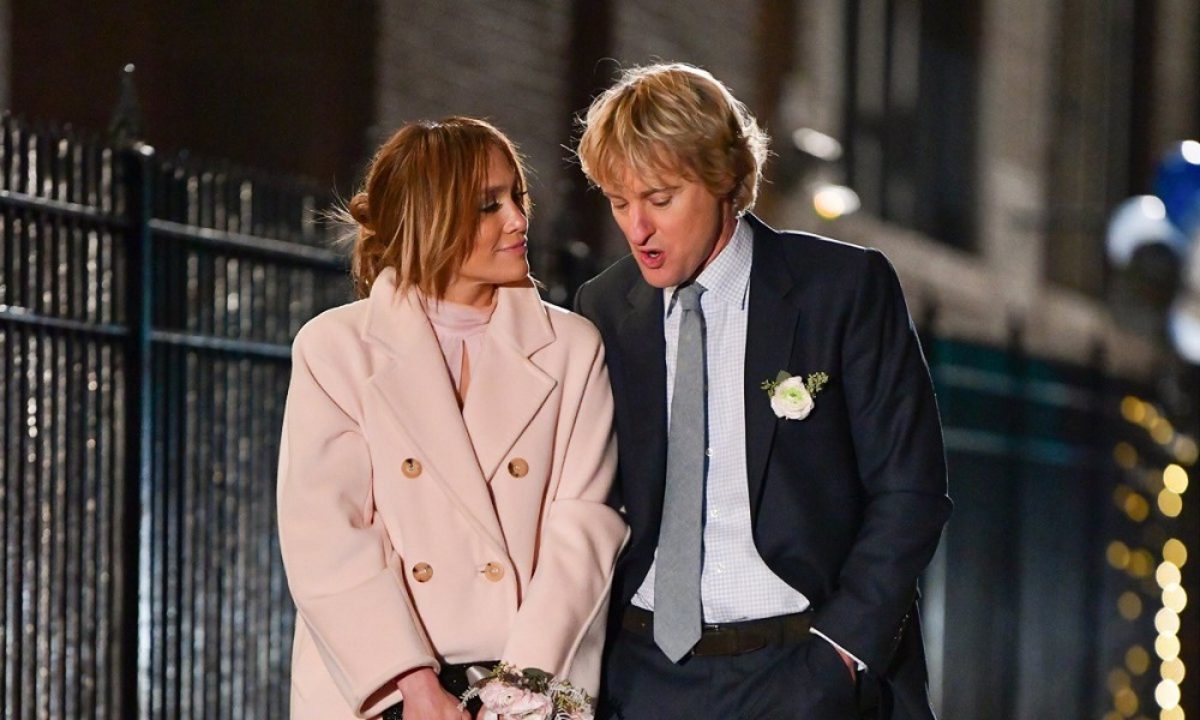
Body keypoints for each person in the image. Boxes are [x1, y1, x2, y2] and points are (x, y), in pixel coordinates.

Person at [573, 63, 952, 720]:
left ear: (724, 177)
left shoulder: (841, 290)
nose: (637, 229)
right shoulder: (604, 306)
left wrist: (839, 656)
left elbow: (910, 493)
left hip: (801, 673)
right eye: (618, 201)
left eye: (659, 199)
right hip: (643, 679)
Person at [277, 116, 627, 720]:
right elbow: (326, 533)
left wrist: (521, 695)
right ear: (429, 218)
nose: (517, 220)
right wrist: (416, 688)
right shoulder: (336, 349)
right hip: (380, 687)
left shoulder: (571, 348)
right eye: (489, 205)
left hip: (526, 684)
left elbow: (583, 530)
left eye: (517, 196)